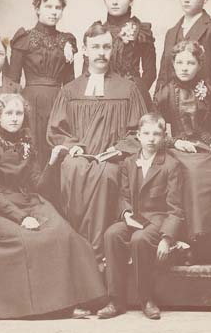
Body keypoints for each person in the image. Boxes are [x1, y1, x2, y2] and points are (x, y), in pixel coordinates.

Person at [0, 93, 106, 319]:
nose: (14, 118)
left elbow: (38, 184)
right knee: (31, 239)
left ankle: (81, 299)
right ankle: (54, 307)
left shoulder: (27, 142)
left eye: (19, 113)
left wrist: (53, 160)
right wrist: (21, 218)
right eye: (8, 113)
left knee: (64, 233)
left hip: (30, 200)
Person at [47, 22, 148, 262]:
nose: (101, 52)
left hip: (114, 159)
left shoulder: (128, 89)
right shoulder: (70, 90)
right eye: (95, 47)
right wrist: (73, 146)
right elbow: (56, 129)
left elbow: (138, 131)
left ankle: (96, 254)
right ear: (85, 50)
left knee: (106, 175)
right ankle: (79, 251)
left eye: (106, 47)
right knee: (73, 169)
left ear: (112, 50)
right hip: (79, 157)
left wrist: (118, 149)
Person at [154, 40, 211, 265]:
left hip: (206, 146)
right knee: (195, 175)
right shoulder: (165, 93)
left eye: (190, 62)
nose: (185, 67)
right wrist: (174, 142)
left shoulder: (209, 90)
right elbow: (157, 130)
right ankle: (194, 246)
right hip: (178, 149)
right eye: (180, 62)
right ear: (173, 65)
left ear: (199, 65)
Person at [97, 113, 184, 320]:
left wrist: (166, 238)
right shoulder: (128, 162)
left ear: (164, 137)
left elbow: (176, 208)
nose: (151, 139)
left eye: (156, 134)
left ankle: (146, 299)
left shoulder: (171, 165)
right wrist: (126, 212)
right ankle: (116, 300)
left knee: (140, 239)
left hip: (157, 220)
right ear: (138, 136)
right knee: (112, 234)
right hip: (133, 217)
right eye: (146, 134)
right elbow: (123, 195)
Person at [10, 0, 77, 168]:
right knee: (32, 145)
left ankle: (52, 190)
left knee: (55, 145)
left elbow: (70, 82)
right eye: (48, 7)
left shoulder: (67, 40)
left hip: (58, 101)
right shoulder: (24, 38)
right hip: (30, 101)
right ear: (37, 9)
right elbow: (12, 80)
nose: (54, 11)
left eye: (58, 7)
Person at [85, 0, 156, 109]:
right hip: (102, 95)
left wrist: (136, 93)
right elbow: (87, 70)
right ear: (105, 0)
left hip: (133, 94)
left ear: (131, 0)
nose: (115, 2)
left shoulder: (141, 31)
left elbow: (150, 72)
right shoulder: (97, 30)